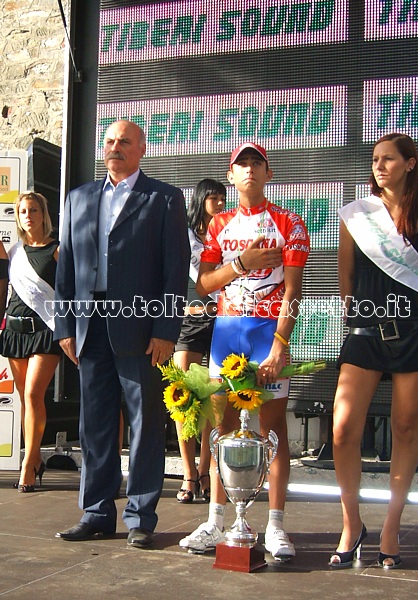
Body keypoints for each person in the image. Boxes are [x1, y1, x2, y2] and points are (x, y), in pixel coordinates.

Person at [54, 120, 190, 548]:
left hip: (142, 328)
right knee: (93, 424)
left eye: (124, 142)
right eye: (110, 141)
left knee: (145, 423)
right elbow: (65, 271)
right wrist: (64, 327)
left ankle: (140, 517)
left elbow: (174, 271)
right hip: (89, 326)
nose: (115, 148)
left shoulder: (165, 199)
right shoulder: (78, 198)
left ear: (141, 150)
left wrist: (167, 329)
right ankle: (95, 512)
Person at [179, 143, 310, 560]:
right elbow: (203, 285)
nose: (249, 169)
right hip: (227, 333)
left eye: (257, 163)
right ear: (231, 176)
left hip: (267, 332)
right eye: (242, 164)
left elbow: (293, 291)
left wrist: (280, 345)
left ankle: (275, 527)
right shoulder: (217, 225)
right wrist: (243, 262)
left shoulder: (290, 221)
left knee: (272, 432)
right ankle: (217, 522)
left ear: (268, 174)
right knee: (222, 430)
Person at [329, 133, 418, 570]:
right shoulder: (356, 216)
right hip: (365, 332)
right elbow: (345, 276)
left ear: (411, 164)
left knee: (405, 427)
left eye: (389, 159)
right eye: (375, 159)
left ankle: (392, 527)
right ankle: (351, 523)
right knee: (342, 430)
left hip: (414, 332)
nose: (380, 166)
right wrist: (362, 313)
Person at [0, 192, 62, 492]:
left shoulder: (58, 249)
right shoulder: (14, 252)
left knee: (35, 395)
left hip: (45, 330)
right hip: (15, 329)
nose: (28, 215)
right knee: (25, 398)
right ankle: (34, 457)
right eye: (22, 210)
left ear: (43, 214)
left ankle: (28, 462)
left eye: (33, 209)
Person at [173, 178, 226, 504]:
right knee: (184, 399)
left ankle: (206, 471)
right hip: (188, 320)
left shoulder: (229, 234)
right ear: (201, 200)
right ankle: (188, 472)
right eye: (214, 198)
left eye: (223, 198)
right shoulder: (184, 236)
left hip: (221, 320)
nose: (219, 203)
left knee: (214, 402)